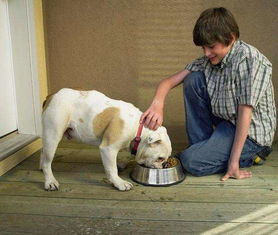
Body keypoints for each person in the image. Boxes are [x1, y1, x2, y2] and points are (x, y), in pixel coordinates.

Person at [140, 7, 276, 181]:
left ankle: (244, 156)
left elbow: (245, 114)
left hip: (251, 136)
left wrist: (233, 163)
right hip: (227, 124)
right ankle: (201, 148)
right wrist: (157, 104)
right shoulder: (209, 60)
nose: (206, 53)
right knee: (193, 80)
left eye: (211, 47)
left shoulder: (250, 61)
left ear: (231, 38)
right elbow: (168, 82)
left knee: (190, 162)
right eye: (203, 47)